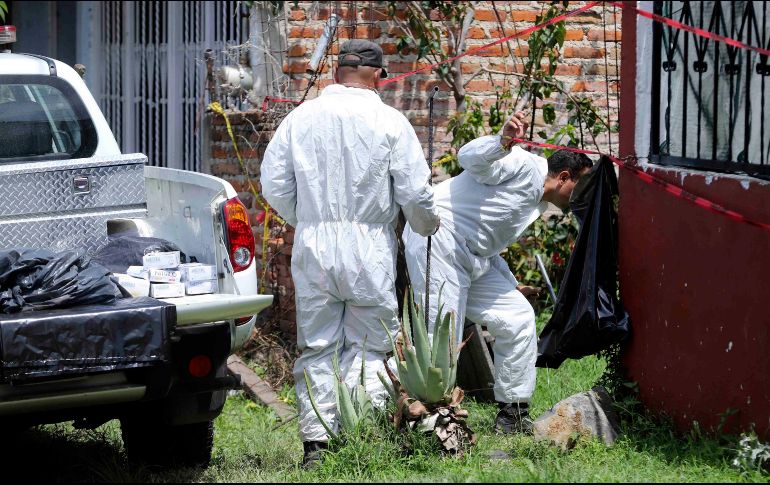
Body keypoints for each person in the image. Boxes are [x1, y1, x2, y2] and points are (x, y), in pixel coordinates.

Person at [260, 39, 440, 467]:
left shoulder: (300, 118)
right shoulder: (390, 121)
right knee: (371, 345)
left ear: (337, 72)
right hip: (369, 247)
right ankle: (360, 434)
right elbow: (415, 192)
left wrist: (307, 218)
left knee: (317, 344)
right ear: (378, 75)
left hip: (314, 244)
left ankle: (316, 446)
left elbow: (273, 183)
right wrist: (426, 225)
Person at [403, 112, 592, 434]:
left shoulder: (539, 203)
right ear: (563, 176)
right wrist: (501, 142)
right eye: (582, 185)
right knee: (441, 333)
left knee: (518, 317)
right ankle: (426, 419)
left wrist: (510, 284)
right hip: (438, 239)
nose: (582, 196)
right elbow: (470, 158)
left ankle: (512, 414)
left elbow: (486, 244)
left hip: (474, 259)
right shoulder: (522, 164)